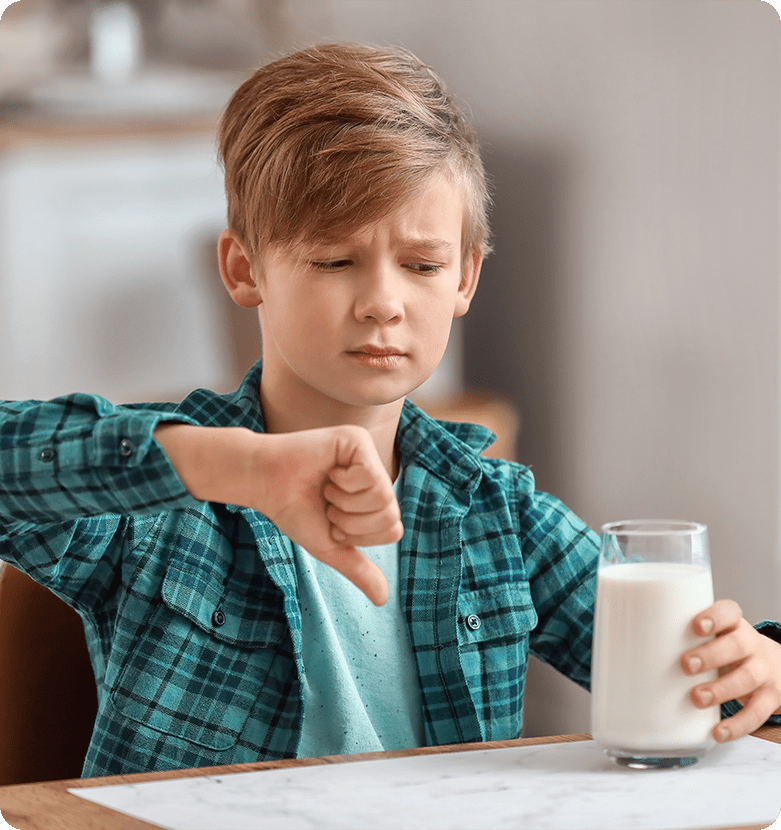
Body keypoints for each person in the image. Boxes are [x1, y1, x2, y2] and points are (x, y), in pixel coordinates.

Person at [1, 43, 780, 779]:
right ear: (245, 269)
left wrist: (758, 665)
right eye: (334, 260)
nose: (381, 302)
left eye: (422, 264)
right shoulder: (165, 503)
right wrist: (233, 466)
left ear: (465, 279)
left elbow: (699, 683)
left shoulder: (498, 514)